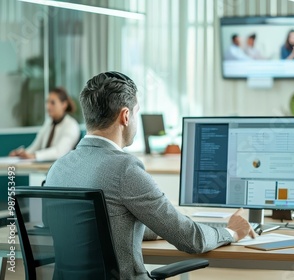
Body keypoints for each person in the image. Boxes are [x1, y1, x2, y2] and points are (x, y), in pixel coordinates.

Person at [44, 71, 256, 279]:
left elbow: (92, 225)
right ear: (126, 116)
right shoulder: (125, 169)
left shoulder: (58, 168)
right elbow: (191, 240)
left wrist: (158, 225)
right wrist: (231, 232)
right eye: (137, 112)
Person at [9, 87, 80, 161]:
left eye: (52, 103)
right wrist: (21, 154)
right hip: (42, 169)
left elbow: (59, 152)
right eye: (47, 102)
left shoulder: (71, 125)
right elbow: (36, 147)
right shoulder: (48, 123)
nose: (48, 106)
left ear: (64, 104)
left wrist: (34, 156)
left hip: (60, 170)